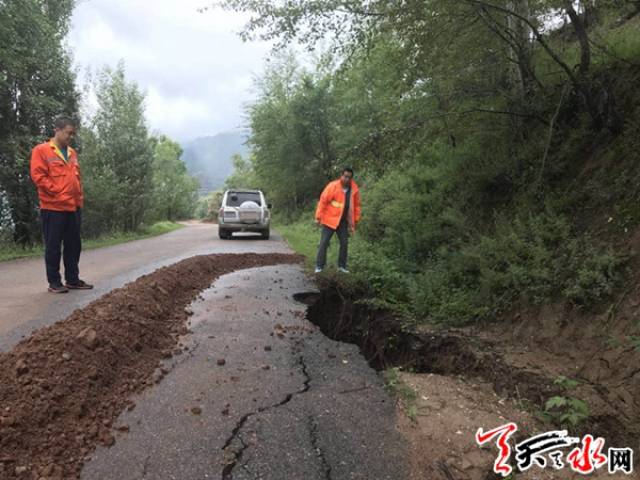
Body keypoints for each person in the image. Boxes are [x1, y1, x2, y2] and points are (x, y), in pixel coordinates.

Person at [30, 116, 93, 293]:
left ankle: (72, 279)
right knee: (53, 246)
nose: (70, 137)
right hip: (53, 208)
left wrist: (79, 198)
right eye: (68, 133)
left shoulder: (72, 153)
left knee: (74, 245)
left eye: (73, 134)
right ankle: (54, 282)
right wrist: (58, 193)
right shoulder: (41, 150)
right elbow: (38, 177)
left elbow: (76, 178)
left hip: (73, 207)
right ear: (57, 130)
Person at [314, 167, 361, 273]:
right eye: (345, 176)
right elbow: (323, 201)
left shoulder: (354, 189)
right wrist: (318, 217)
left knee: (344, 243)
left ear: (351, 178)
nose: (347, 179)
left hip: (343, 221)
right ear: (341, 176)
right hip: (329, 220)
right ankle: (319, 266)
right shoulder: (333, 186)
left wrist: (355, 220)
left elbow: (357, 206)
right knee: (324, 243)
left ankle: (342, 266)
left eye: (349, 177)